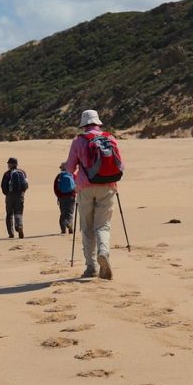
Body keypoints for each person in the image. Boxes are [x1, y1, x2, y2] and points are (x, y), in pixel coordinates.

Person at [64, 110, 124, 279]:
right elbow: (121, 166)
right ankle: (103, 251)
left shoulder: (78, 141)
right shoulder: (110, 138)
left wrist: (77, 177)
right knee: (103, 225)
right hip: (108, 186)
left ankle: (91, 267)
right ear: (98, 123)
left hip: (85, 187)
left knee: (87, 227)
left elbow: (69, 168)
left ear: (84, 124)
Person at [0, 157, 28, 239]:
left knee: (9, 214)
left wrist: (7, 194)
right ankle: (19, 227)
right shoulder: (23, 172)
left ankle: (11, 233)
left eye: (9, 163)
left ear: (11, 164)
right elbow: (26, 184)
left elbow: (3, 186)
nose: (8, 165)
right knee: (18, 213)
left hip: (10, 196)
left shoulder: (7, 174)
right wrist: (22, 192)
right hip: (20, 195)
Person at [53, 162, 76, 234]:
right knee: (70, 213)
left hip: (62, 197)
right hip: (71, 197)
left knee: (63, 213)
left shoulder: (59, 176)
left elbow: (55, 188)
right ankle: (70, 226)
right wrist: (74, 194)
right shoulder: (72, 175)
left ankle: (63, 229)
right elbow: (77, 185)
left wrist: (59, 196)